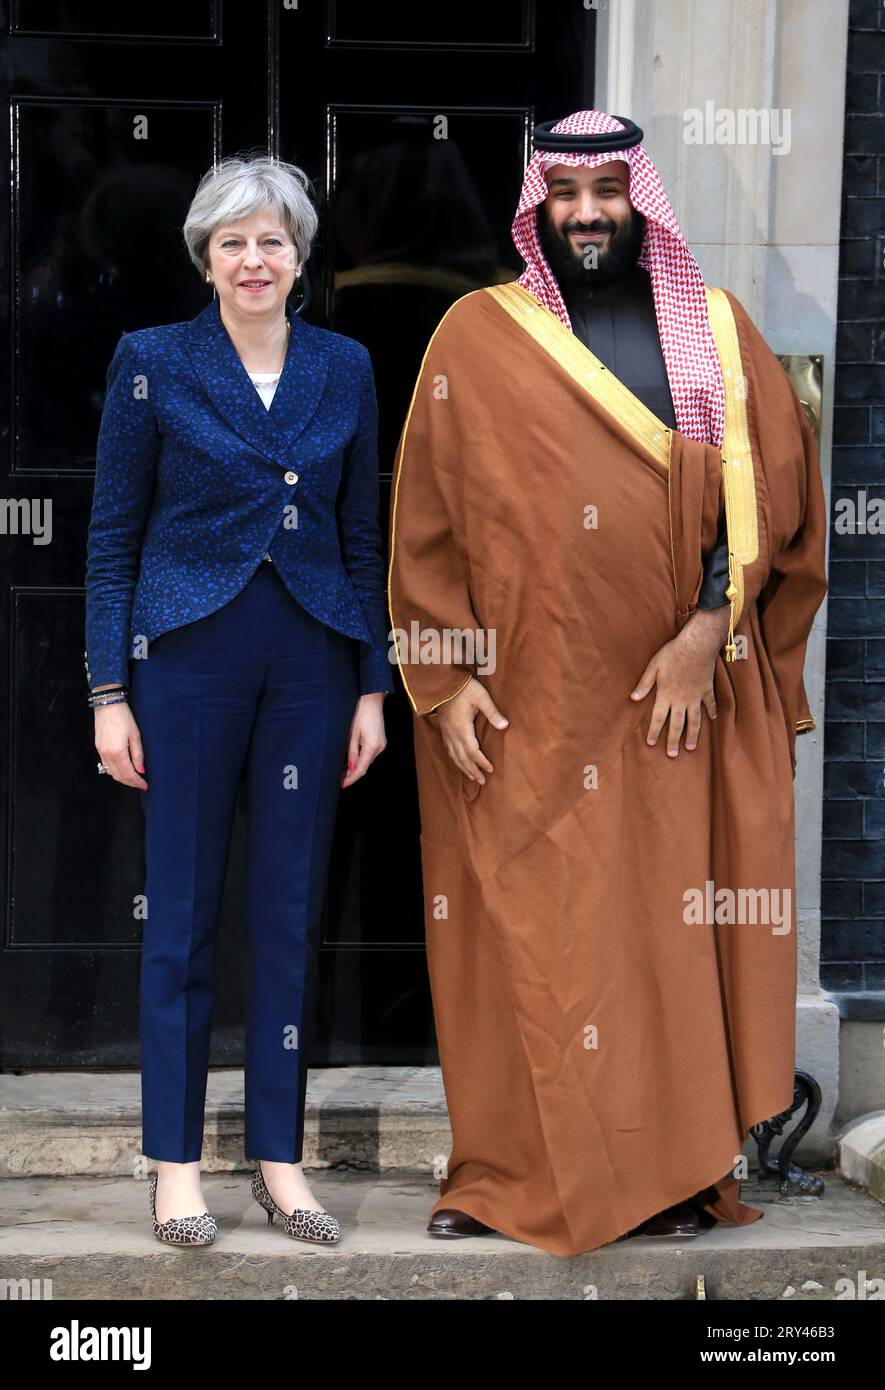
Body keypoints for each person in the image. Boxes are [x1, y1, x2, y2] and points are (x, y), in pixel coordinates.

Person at [387, 109, 827, 1256]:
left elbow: (771, 511)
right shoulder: (474, 338)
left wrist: (700, 637)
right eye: (567, 193)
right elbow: (425, 527)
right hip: (522, 704)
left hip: (673, 703)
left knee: (661, 940)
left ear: (644, 201)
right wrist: (442, 679)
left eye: (609, 190)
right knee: (519, 937)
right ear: (540, 206)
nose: (589, 211)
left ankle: (675, 1173)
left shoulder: (718, 337)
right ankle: (497, 1175)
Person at [85, 153, 393, 1246]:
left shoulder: (345, 364)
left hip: (311, 657)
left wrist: (372, 684)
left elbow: (363, 534)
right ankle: (174, 1165)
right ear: (205, 258)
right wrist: (108, 690)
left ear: (300, 256)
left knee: (286, 916)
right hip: (189, 659)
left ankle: (279, 1158)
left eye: (272, 240)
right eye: (233, 242)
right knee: (179, 918)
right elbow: (113, 534)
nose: (253, 259)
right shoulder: (150, 362)